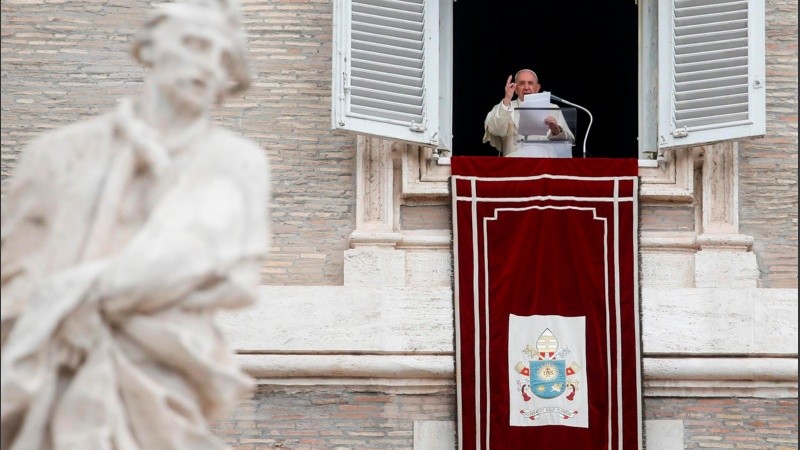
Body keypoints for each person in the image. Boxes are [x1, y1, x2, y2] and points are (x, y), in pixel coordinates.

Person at [0, 1, 269, 449]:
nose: (209, 66)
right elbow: (12, 272)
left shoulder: (236, 164)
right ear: (149, 45)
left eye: (225, 60)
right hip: (56, 373)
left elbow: (238, 281)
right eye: (196, 44)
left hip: (166, 375)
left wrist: (84, 300)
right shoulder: (55, 155)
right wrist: (55, 316)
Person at [483, 69, 575, 157]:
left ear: (537, 87)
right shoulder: (505, 106)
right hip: (515, 165)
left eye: (530, 83)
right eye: (522, 83)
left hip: (546, 167)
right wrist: (507, 99)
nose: (526, 87)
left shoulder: (553, 108)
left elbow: (568, 143)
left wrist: (556, 131)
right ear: (515, 88)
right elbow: (495, 130)